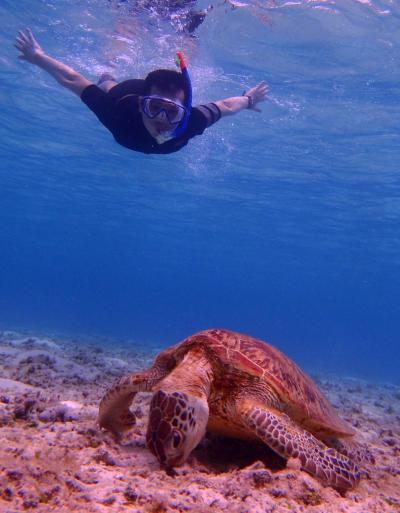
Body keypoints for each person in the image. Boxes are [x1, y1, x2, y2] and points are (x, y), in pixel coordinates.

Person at [14, 29, 268, 155]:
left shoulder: (192, 121)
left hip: (147, 93)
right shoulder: (118, 112)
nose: (161, 118)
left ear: (184, 112)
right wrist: (38, 57)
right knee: (108, 85)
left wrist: (248, 99)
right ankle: (109, 68)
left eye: (172, 112)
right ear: (142, 106)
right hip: (127, 92)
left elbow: (224, 106)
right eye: (154, 108)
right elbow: (73, 80)